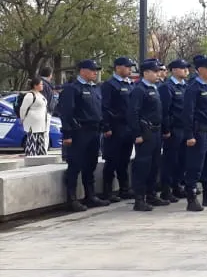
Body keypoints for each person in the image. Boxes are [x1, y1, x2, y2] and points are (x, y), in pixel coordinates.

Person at [58, 60, 109, 212]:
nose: (95, 73)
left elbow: (99, 110)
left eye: (96, 70)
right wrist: (67, 134)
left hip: (94, 131)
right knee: (75, 165)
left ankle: (90, 196)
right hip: (79, 131)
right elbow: (66, 113)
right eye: (92, 70)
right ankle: (72, 199)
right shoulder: (72, 88)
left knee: (90, 165)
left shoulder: (95, 88)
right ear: (82, 71)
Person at [127, 60, 167, 212]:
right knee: (143, 165)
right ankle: (139, 199)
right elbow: (133, 113)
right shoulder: (139, 90)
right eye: (155, 71)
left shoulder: (154, 88)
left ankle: (151, 194)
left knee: (154, 165)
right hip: (145, 133)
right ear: (146, 73)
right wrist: (137, 133)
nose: (158, 74)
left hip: (156, 131)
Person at [182, 56, 207, 211]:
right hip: (199, 132)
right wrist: (189, 135)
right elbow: (188, 113)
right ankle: (191, 198)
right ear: (200, 70)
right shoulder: (193, 88)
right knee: (195, 166)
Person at [100, 56, 136, 202]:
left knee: (124, 160)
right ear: (118, 67)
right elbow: (105, 107)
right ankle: (107, 192)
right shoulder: (110, 85)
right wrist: (107, 126)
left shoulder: (130, 84)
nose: (130, 69)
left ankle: (124, 189)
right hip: (115, 127)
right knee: (112, 160)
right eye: (127, 67)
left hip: (128, 127)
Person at [159, 59, 191, 202]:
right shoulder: (167, 87)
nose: (186, 70)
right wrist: (166, 129)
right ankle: (166, 190)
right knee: (170, 160)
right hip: (174, 129)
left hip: (185, 128)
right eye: (182, 68)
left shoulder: (186, 86)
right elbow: (165, 111)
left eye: (186, 68)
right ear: (174, 70)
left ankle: (177, 186)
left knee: (182, 160)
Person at [20, 77, 50, 157]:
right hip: (32, 122)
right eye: (41, 84)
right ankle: (31, 155)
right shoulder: (30, 95)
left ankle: (41, 155)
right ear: (35, 85)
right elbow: (23, 108)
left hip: (41, 123)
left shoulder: (40, 95)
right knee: (32, 139)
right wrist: (22, 118)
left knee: (40, 140)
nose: (42, 86)